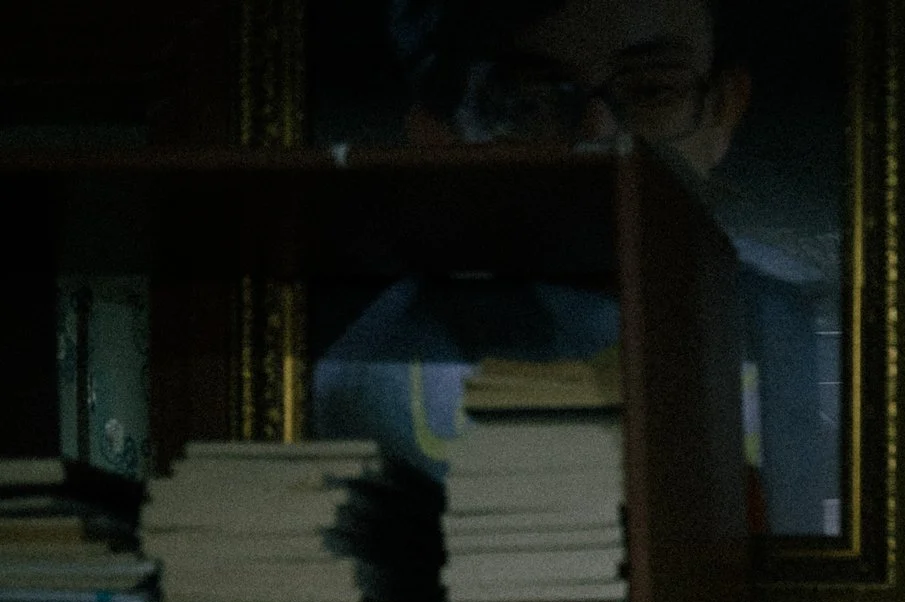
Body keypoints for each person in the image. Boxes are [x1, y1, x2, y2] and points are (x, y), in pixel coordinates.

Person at [319, 0, 830, 534]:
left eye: (652, 90)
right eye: (530, 100)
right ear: (439, 132)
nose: (600, 135)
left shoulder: (783, 320)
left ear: (725, 109)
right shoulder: (388, 369)